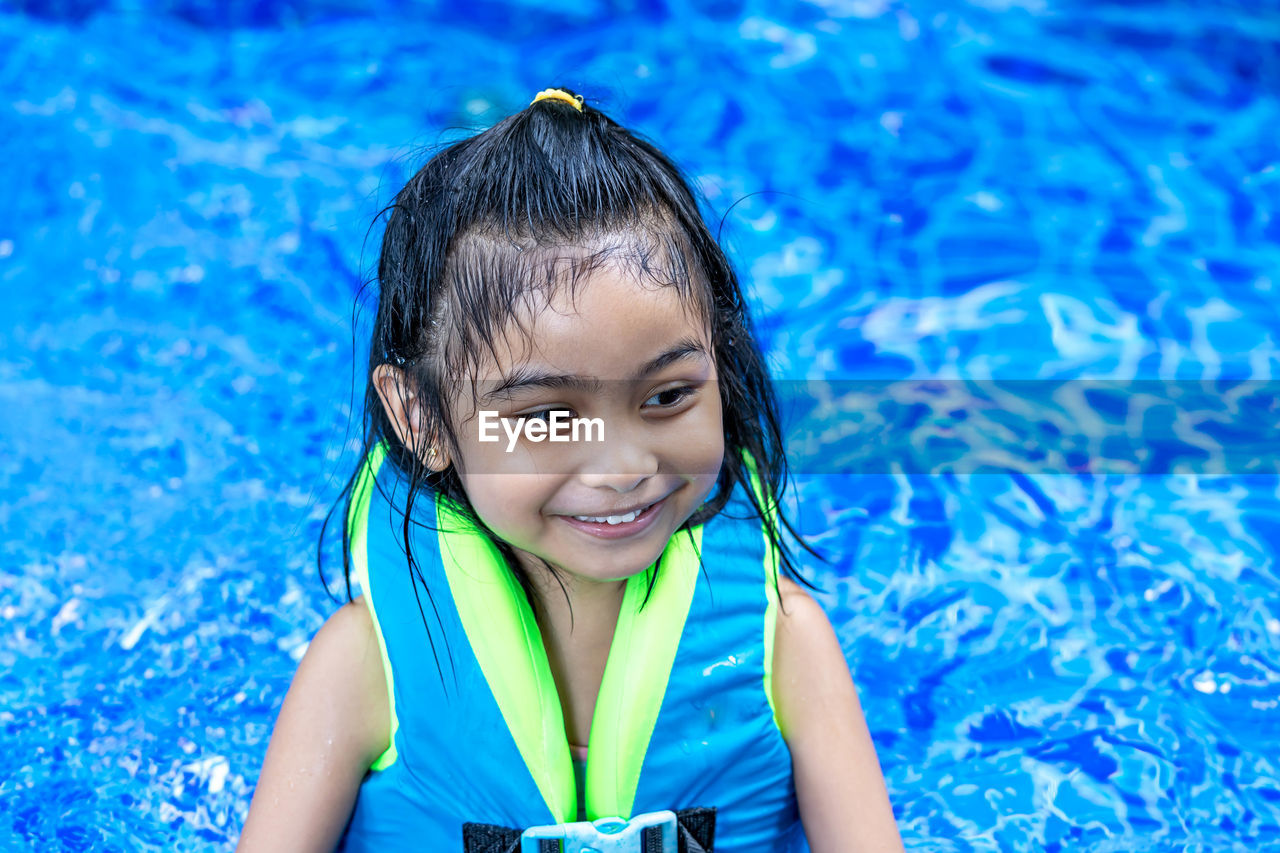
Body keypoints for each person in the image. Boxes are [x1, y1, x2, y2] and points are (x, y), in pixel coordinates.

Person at [237, 87, 903, 853]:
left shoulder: (785, 646)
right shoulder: (363, 670)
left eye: (668, 394)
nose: (624, 466)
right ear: (420, 417)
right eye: (548, 417)